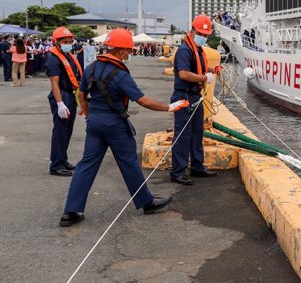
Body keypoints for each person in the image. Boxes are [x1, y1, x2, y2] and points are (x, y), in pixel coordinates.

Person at [60, 29, 189, 227]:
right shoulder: (119, 74)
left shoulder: (92, 67)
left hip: (94, 123)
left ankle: (72, 211)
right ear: (120, 51)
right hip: (115, 124)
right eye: (128, 51)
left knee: (86, 164)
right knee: (128, 162)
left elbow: (81, 94)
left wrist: (88, 114)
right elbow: (143, 101)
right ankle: (146, 202)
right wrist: (169, 107)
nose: (129, 54)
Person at [170, 15, 220, 186]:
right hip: (184, 96)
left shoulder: (197, 50)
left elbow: (200, 67)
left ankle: (197, 166)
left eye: (206, 35)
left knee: (197, 133)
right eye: (201, 34)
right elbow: (183, 74)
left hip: (195, 96)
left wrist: (213, 69)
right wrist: (205, 78)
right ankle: (178, 172)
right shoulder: (185, 50)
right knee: (183, 135)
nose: (203, 37)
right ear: (192, 31)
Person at [46, 27, 83, 176]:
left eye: (70, 41)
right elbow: (54, 83)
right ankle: (56, 165)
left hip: (71, 95)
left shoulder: (67, 55)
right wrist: (60, 104)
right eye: (65, 41)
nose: (68, 43)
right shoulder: (53, 59)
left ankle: (62, 159)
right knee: (60, 131)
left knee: (67, 131)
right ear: (57, 42)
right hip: (61, 96)